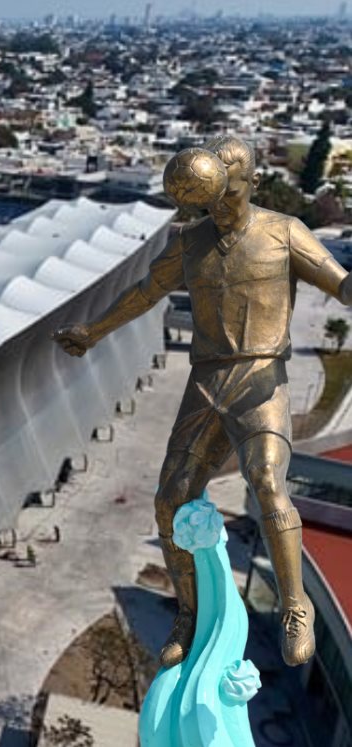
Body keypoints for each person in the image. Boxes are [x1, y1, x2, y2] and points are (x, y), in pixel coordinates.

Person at [53, 135, 352, 668]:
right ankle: (188, 611)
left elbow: (340, 284)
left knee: (265, 480)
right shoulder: (190, 241)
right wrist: (93, 331)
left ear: (252, 183)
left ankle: (293, 604)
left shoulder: (285, 232)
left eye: (231, 185)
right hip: (205, 382)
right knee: (170, 498)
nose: (220, 199)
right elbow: (146, 292)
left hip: (262, 376)